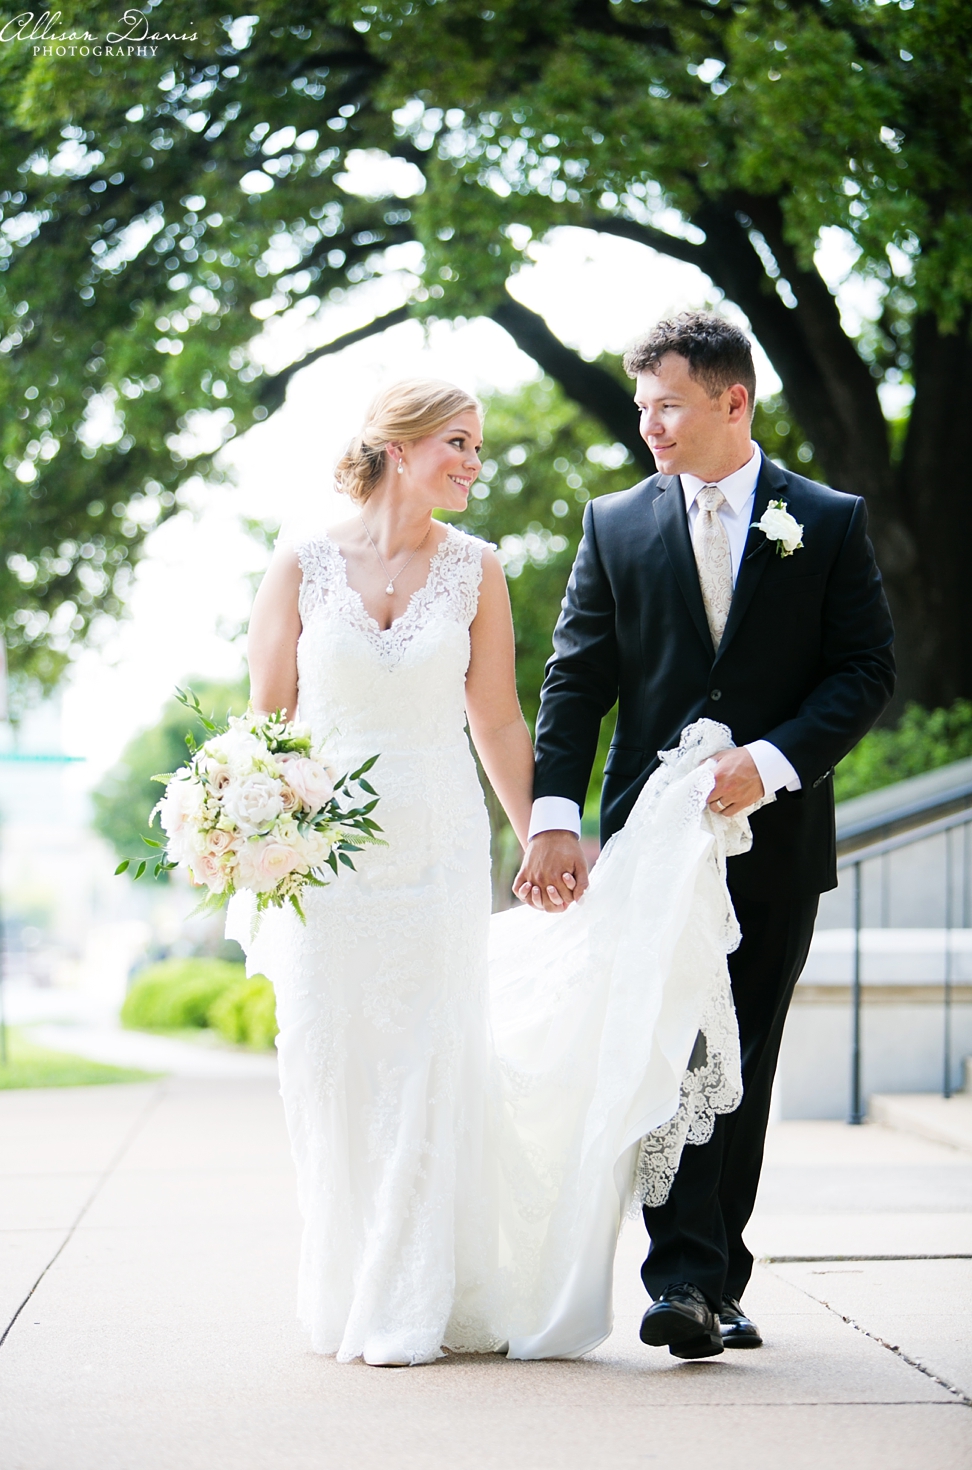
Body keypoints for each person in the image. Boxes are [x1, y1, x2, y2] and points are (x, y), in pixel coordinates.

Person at [233, 376, 755, 1367]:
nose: (474, 464)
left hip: (433, 855)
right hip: (329, 862)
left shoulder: (476, 568)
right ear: (397, 442)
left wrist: (541, 837)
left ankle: (407, 1301)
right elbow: (266, 722)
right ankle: (348, 1284)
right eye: (458, 445)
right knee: (328, 1065)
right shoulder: (298, 565)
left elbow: (498, 717)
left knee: (430, 1064)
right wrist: (249, 825)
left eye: (477, 447)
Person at [514, 311, 896, 1359]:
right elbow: (576, 678)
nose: (649, 427)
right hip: (648, 847)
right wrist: (555, 817)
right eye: (641, 407)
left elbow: (862, 670)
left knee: (744, 1058)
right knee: (668, 1041)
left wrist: (767, 765)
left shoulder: (825, 519)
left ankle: (715, 1275)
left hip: (772, 843)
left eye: (667, 405)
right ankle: (679, 1277)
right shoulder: (614, 524)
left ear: (734, 402)